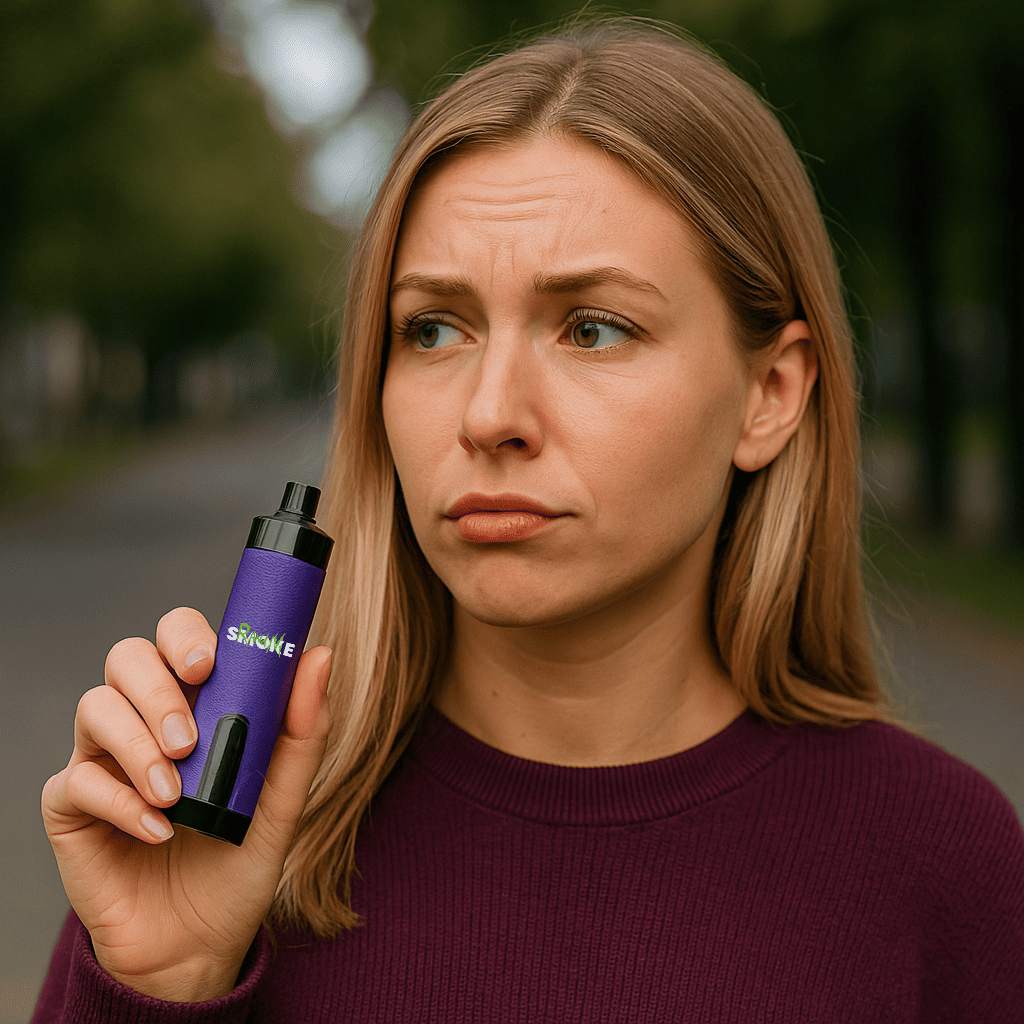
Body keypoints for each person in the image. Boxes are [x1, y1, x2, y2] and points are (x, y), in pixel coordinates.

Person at [33, 17, 1024, 1023]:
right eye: (433, 329)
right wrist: (157, 989)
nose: (489, 414)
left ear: (769, 394)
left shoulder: (941, 863)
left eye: (592, 328)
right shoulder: (217, 826)